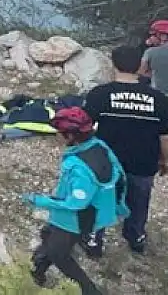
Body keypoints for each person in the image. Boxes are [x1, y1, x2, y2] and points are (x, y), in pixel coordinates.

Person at [21, 107, 128, 295]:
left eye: (60, 133)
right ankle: (36, 271)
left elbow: (75, 203)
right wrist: (120, 206)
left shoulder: (79, 167)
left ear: (71, 135)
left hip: (75, 219)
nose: (57, 137)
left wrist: (39, 200)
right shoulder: (99, 146)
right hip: (92, 213)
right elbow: (120, 175)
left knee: (59, 255)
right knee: (49, 237)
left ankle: (89, 291)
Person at [83, 45, 168, 256]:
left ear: (112, 64)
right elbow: (166, 137)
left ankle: (94, 240)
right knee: (139, 201)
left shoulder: (100, 94)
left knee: (101, 199)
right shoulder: (157, 98)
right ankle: (136, 237)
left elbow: (83, 127)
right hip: (143, 162)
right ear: (140, 67)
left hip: (107, 162)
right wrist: (164, 160)